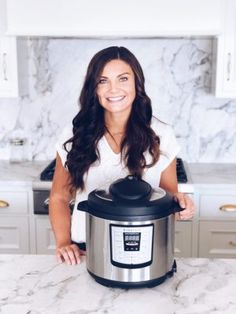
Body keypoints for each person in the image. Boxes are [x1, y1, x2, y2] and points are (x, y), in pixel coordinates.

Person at [49, 46, 195, 265]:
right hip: (86, 254)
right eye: (103, 80)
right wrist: (63, 242)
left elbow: (168, 200)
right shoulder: (75, 134)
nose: (113, 89)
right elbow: (59, 197)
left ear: (137, 83)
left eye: (123, 79)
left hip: (146, 255)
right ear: (94, 88)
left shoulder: (162, 135)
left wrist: (181, 205)